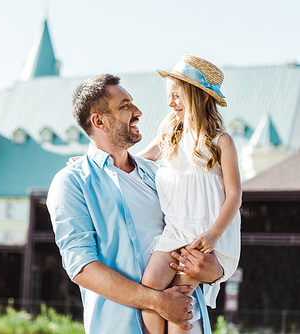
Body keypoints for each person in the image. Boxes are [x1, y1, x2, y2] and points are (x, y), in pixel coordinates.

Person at [47, 73, 231, 334]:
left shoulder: (159, 175)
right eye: (125, 106)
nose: (138, 111)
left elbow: (198, 222)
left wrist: (215, 272)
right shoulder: (72, 183)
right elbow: (82, 267)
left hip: (188, 322)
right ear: (99, 121)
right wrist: (158, 302)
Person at [137, 55, 241, 334]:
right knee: (151, 285)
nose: (170, 103)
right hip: (175, 230)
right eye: (169, 96)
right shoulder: (168, 133)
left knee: (179, 296)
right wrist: (98, 160)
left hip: (206, 234)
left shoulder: (222, 142)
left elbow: (234, 195)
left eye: (177, 96)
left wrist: (213, 235)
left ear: (200, 98)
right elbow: (137, 160)